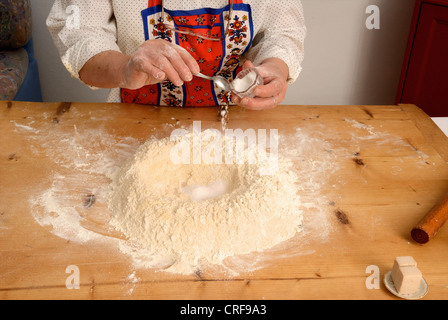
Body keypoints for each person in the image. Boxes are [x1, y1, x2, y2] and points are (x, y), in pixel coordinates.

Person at [47, 0, 306, 110]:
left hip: (239, 126)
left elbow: (283, 30)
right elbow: (78, 33)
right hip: (134, 122)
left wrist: (276, 67)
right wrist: (125, 68)